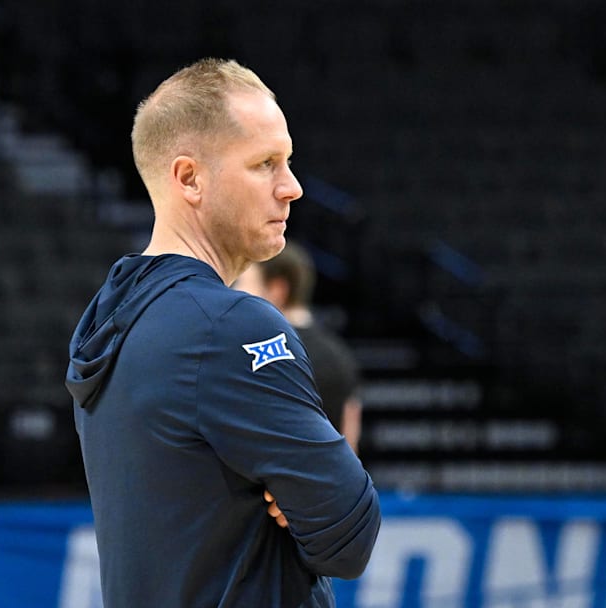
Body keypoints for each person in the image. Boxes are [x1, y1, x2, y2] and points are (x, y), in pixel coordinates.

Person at [65, 58, 381, 608]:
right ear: (189, 178)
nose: (293, 188)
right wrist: (302, 492)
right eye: (265, 164)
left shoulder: (113, 317)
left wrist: (298, 492)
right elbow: (349, 534)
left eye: (288, 161)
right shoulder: (228, 324)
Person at [233, 242, 363, 453]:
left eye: (244, 283)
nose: (236, 293)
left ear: (277, 289)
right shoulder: (340, 355)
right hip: (332, 482)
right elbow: (351, 440)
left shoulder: (259, 355)